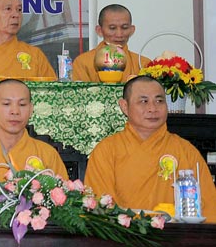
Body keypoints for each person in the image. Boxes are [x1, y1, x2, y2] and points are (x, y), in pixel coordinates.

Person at [85, 76, 216, 222]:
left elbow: (210, 209)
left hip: (177, 234)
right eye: (144, 101)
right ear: (124, 106)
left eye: (159, 101)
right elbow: (100, 210)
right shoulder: (107, 151)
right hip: (125, 233)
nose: (153, 109)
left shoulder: (185, 151)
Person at [72, 4, 151, 83]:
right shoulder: (83, 62)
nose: (119, 34)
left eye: (124, 28)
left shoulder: (143, 63)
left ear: (132, 30)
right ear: (99, 30)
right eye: (112, 28)